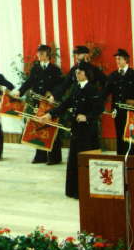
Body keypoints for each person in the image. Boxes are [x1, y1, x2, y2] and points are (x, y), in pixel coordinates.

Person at [40, 65, 103, 198]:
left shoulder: (92, 89)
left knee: (84, 159)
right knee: (74, 159)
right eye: (75, 72)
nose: (76, 74)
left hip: (88, 130)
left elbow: (99, 108)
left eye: (79, 72)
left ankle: (85, 191)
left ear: (85, 74)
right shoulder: (75, 88)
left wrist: (87, 117)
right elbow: (65, 104)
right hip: (76, 128)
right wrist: (50, 115)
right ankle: (73, 190)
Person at [15, 44, 62, 164]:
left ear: (48, 55)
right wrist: (19, 91)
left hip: (50, 104)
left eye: (41, 53)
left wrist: (52, 94)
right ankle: (40, 156)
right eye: (38, 53)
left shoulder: (55, 69)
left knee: (51, 128)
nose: (39, 55)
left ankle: (54, 157)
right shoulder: (35, 68)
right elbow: (29, 82)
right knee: (38, 127)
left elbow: (60, 85)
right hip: (37, 103)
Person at [102, 49, 134, 155]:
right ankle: (121, 160)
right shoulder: (113, 75)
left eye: (119, 59)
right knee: (119, 136)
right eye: (116, 59)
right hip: (117, 111)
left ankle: (130, 161)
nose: (117, 61)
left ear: (126, 60)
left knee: (129, 136)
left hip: (130, 112)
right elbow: (105, 93)